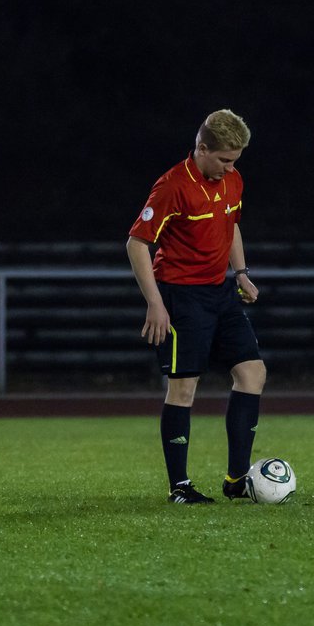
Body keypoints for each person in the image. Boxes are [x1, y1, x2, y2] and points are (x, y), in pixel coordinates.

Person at [126, 108, 266, 504]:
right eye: (223, 159)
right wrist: (155, 303)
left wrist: (240, 273)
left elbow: (231, 224)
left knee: (253, 373)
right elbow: (137, 243)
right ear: (201, 148)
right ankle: (180, 487)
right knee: (184, 387)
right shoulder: (172, 186)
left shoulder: (233, 179)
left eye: (235, 161)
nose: (229, 168)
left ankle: (237, 479)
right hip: (180, 294)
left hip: (219, 292)